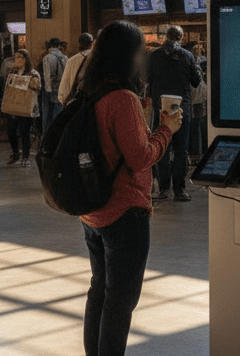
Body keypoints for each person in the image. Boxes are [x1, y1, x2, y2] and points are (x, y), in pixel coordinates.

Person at [77, 22, 181, 356]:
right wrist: (166, 130)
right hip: (125, 210)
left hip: (92, 209)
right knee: (121, 301)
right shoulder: (123, 99)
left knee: (99, 290)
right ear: (128, 56)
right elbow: (140, 157)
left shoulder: (88, 92)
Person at [148, 26, 202, 202]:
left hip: (161, 107)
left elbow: (147, 79)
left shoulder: (153, 55)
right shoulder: (186, 56)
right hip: (181, 107)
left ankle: (163, 188)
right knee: (181, 149)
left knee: (162, 147)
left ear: (166, 36)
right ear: (181, 37)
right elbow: (195, 81)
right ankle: (179, 190)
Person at [4, 49, 41, 167]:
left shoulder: (32, 73)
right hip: (13, 106)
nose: (17, 60)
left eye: (19, 57)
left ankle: (26, 156)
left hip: (26, 107)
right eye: (15, 57)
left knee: (25, 132)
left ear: (25, 59)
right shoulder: (13, 71)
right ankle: (15, 153)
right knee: (11, 131)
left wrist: (26, 82)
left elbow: (37, 86)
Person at [41, 38, 68, 134]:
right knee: (58, 114)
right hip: (61, 89)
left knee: (47, 115)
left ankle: (47, 137)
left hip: (50, 90)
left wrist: (48, 91)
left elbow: (48, 77)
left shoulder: (48, 57)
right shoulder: (65, 57)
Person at [59, 33, 94, 107]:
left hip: (76, 102)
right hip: (93, 101)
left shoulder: (72, 60)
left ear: (79, 43)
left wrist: (64, 101)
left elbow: (65, 85)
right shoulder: (98, 58)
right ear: (91, 43)